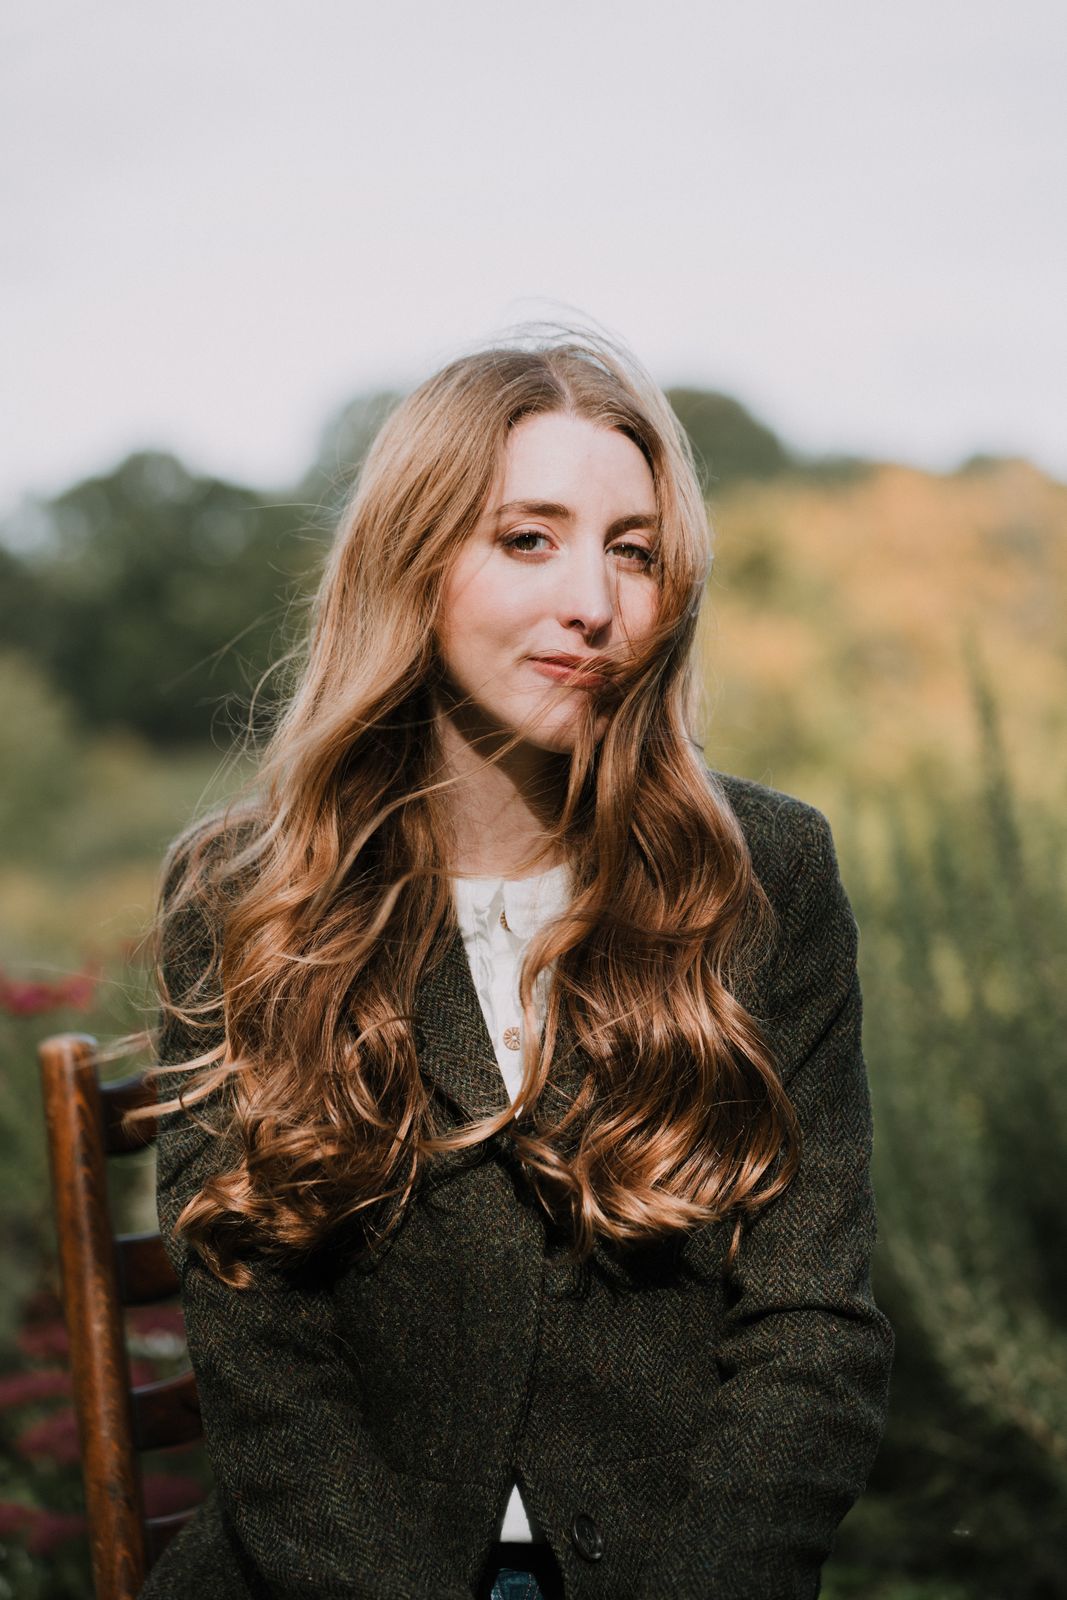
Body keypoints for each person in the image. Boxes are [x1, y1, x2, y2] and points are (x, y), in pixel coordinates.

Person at [139, 328, 893, 1600]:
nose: (594, 602)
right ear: (414, 561)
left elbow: (810, 1324)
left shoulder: (765, 873)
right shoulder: (247, 896)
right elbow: (259, 1347)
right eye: (528, 538)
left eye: (633, 551)